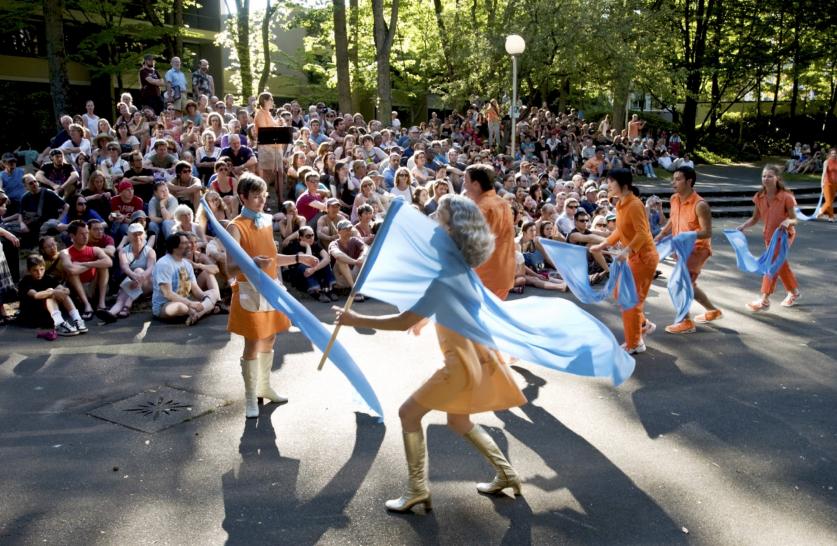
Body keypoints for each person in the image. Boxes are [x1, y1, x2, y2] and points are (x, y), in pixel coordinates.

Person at [335, 194, 527, 513]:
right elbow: (449, 305)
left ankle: (417, 490)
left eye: (439, 216)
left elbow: (402, 321)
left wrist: (355, 319)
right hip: (474, 356)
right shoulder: (460, 266)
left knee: (408, 413)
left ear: (452, 231)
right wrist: (427, 317)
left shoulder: (448, 272)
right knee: (458, 419)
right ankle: (507, 475)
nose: (434, 220)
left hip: (463, 362)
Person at [225, 173, 318, 418]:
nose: (261, 201)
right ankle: (250, 398)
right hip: (249, 292)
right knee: (253, 342)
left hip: (271, 289)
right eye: (256, 197)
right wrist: (250, 263)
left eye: (264, 196)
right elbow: (230, 268)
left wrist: (299, 258)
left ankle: (264, 387)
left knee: (270, 340)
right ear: (242, 197)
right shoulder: (235, 226)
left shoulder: (266, 221)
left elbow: (272, 259)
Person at [590, 169, 659, 354]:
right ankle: (642, 325)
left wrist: (627, 250)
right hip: (634, 256)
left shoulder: (634, 205)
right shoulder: (621, 203)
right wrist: (603, 244)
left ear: (624, 184)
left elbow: (643, 233)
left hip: (644, 258)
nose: (608, 185)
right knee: (622, 294)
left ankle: (635, 343)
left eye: (611, 182)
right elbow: (620, 231)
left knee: (630, 300)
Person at [654, 166, 722, 332]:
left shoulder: (700, 205)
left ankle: (686, 322)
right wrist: (661, 235)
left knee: (678, 283)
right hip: (681, 248)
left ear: (689, 181)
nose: (673, 182)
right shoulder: (674, 198)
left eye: (678, 179)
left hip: (698, 249)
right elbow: (672, 220)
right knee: (689, 284)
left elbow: (707, 232)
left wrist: (687, 236)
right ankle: (713, 311)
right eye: (673, 179)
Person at [736, 165, 800, 311]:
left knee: (772, 264)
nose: (766, 179)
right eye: (764, 176)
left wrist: (787, 221)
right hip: (769, 237)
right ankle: (794, 292)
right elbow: (754, 218)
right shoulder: (759, 197)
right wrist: (742, 227)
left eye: (770, 176)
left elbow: (795, 219)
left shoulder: (786, 197)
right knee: (781, 264)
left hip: (784, 236)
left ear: (777, 178)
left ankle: (764, 299)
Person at [463, 164, 515, 300]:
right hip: (502, 274)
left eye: (465, 181)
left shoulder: (481, 208)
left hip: (485, 278)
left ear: (475, 184)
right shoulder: (502, 203)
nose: (463, 185)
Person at [152, 232, 219, 324]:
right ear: (174, 247)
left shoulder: (187, 264)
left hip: (186, 301)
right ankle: (203, 310)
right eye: (184, 243)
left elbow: (195, 289)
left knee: (214, 293)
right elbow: (168, 294)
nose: (189, 245)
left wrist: (205, 297)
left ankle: (196, 315)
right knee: (181, 307)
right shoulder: (164, 264)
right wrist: (191, 303)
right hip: (166, 305)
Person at [18, 254, 86, 338]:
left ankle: (77, 319)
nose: (39, 273)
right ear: (29, 270)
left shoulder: (48, 278)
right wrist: (52, 292)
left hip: (48, 313)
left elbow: (63, 290)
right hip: (32, 315)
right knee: (51, 296)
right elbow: (36, 295)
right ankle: (59, 324)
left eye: (41, 269)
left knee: (62, 295)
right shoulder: (25, 282)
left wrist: (64, 291)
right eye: (35, 270)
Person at [100, 223, 157, 322]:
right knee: (122, 295)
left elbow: (151, 268)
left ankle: (128, 304)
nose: (137, 236)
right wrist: (134, 276)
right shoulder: (123, 251)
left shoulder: (150, 251)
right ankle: (111, 313)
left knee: (138, 270)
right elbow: (124, 267)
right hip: (132, 281)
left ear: (144, 235)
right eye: (134, 234)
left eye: (140, 233)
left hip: (147, 282)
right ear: (129, 236)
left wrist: (138, 276)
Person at [59, 220, 112, 322]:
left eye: (87, 233)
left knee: (104, 266)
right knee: (72, 273)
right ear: (72, 236)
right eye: (82, 234)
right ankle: (87, 305)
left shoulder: (95, 249)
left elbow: (109, 262)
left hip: (93, 285)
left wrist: (86, 264)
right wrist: (95, 263)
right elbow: (71, 270)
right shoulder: (65, 252)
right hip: (77, 289)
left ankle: (101, 304)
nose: (85, 236)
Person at [284, 225, 338, 302]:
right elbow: (307, 260)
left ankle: (330, 289)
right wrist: (307, 246)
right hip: (300, 276)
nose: (311, 238)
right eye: (308, 236)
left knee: (323, 261)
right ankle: (317, 291)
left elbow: (327, 258)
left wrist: (314, 269)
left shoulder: (315, 244)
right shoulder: (296, 246)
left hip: (312, 271)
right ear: (301, 237)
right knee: (304, 265)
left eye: (312, 235)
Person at [253, 92, 285, 200]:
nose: (272, 102)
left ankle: (280, 199)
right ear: (265, 101)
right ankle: (263, 201)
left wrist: (279, 123)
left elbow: (272, 127)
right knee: (267, 175)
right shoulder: (260, 114)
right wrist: (276, 127)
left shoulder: (268, 113)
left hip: (276, 148)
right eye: (271, 100)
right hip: (266, 149)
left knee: (279, 172)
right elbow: (264, 131)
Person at [328, 219, 367, 297]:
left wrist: (362, 257)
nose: (349, 231)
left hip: (354, 273)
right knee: (340, 261)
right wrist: (355, 262)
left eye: (350, 229)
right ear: (338, 231)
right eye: (346, 229)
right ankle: (354, 289)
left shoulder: (354, 240)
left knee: (365, 257)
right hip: (340, 279)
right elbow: (337, 255)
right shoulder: (333, 243)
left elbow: (366, 248)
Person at [816, 147, 837, 222]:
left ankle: (830, 217)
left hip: (835, 184)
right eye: (832, 153)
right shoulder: (826, 162)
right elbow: (824, 173)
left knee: (830, 201)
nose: (834, 155)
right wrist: (821, 183)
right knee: (828, 201)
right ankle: (821, 211)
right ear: (830, 154)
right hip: (827, 183)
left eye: (835, 153)